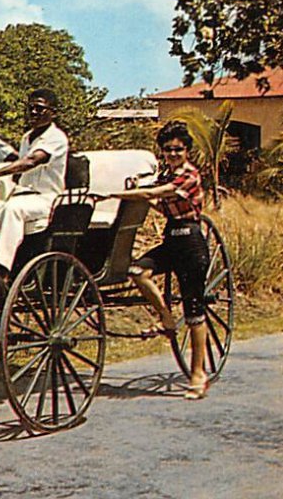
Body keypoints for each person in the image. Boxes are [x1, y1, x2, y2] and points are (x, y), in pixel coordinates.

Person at [108, 121, 210, 400]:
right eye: (167, 149)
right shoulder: (166, 174)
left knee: (194, 313)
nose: (173, 154)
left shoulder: (189, 176)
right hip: (171, 241)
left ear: (187, 150)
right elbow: (153, 199)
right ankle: (166, 318)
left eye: (178, 149)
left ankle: (198, 374)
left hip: (191, 243)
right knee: (138, 272)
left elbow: (154, 194)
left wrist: (117, 193)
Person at [0, 88, 69, 276]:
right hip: (21, 195)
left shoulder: (56, 137)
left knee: (13, 209)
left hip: (46, 199)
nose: (34, 112)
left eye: (40, 109)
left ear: (53, 112)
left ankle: (1, 269)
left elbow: (31, 162)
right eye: (31, 108)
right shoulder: (27, 137)